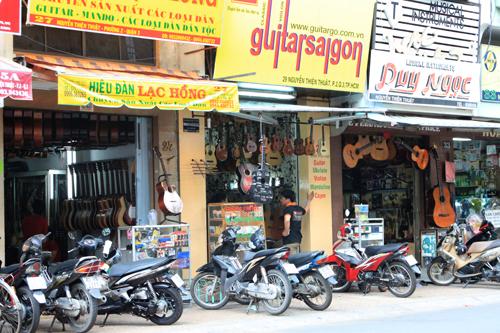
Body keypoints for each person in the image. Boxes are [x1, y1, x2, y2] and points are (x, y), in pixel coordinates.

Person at [279, 189, 314, 254]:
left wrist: (286, 231)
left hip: (289, 240)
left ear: (288, 199)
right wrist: (309, 200)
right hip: (297, 239)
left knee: (291, 261)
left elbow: (287, 220)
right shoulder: (298, 209)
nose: (280, 200)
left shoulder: (288, 209)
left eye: (282, 198)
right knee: (294, 258)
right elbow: (305, 211)